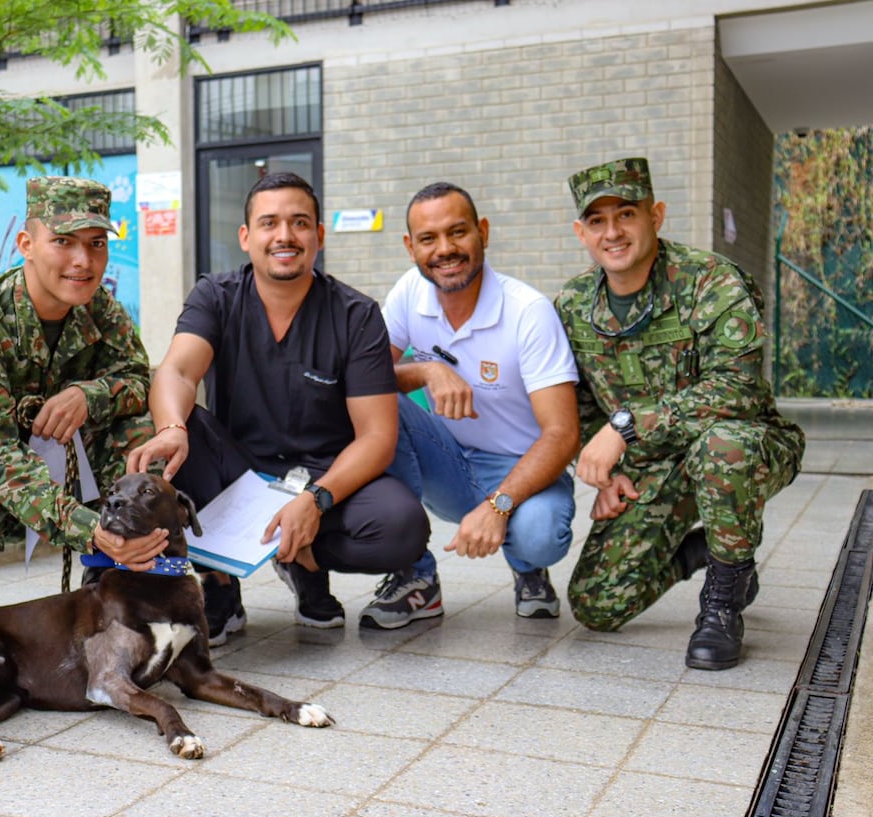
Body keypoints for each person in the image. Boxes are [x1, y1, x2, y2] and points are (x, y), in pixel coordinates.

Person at [127, 172, 430, 645]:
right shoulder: (216, 297)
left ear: (319, 236)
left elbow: (376, 436)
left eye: (299, 223)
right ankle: (220, 585)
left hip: (324, 479)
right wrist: (170, 427)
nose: (284, 236)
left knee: (402, 526)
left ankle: (303, 562)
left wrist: (316, 500)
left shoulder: (356, 315)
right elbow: (178, 372)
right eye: (269, 223)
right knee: (180, 436)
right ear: (247, 237)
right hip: (236, 472)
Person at [555, 156, 805, 670]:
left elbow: (739, 388)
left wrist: (625, 428)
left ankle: (723, 599)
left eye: (626, 214)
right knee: (596, 605)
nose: (613, 232)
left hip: (742, 445)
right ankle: (703, 551)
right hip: (652, 464)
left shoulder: (711, 281)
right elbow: (577, 404)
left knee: (722, 448)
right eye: (597, 221)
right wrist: (606, 474)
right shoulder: (574, 305)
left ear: (656, 215)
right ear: (581, 232)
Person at [0, 175, 166, 617]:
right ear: (26, 244)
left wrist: (91, 395)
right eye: (64, 241)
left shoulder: (100, 308)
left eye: (96, 244)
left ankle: (106, 574)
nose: (83, 261)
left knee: (146, 442)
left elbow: (138, 379)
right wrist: (90, 528)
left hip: (61, 458)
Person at [378, 182, 580, 629]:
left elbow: (563, 433)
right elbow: (366, 375)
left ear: (482, 231)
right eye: (428, 239)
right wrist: (427, 371)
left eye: (458, 232)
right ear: (411, 247)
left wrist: (498, 506)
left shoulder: (528, 311)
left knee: (540, 537)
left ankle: (529, 569)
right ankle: (417, 577)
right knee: (376, 402)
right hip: (448, 461)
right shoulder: (410, 291)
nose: (445, 249)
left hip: (524, 468)